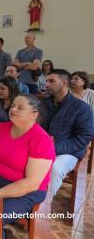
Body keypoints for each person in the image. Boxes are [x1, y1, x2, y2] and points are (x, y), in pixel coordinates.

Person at [0, 94, 55, 229]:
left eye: (20, 107)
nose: (13, 110)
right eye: (12, 106)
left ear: (34, 114)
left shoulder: (41, 140)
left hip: (24, 193)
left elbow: (31, 183)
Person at [41, 69, 93, 199]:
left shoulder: (81, 108)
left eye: (51, 81)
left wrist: (53, 147)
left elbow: (83, 138)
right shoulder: (43, 104)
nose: (47, 84)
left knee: (55, 168)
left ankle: (43, 204)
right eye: (46, 81)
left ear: (64, 83)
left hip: (68, 151)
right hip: (42, 147)